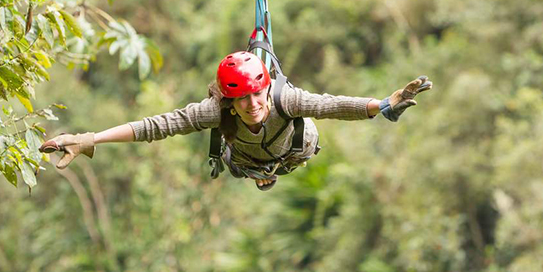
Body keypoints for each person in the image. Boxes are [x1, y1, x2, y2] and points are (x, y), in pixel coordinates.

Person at [39, 51, 432, 190]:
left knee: (309, 127)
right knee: (232, 160)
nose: (251, 106)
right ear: (229, 99)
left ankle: (270, 170)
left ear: (265, 89)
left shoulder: (284, 100)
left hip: (295, 151)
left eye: (255, 96)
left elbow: (331, 104)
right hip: (246, 160)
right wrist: (89, 138)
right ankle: (259, 172)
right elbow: (154, 127)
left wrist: (382, 105)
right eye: (240, 100)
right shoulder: (217, 111)